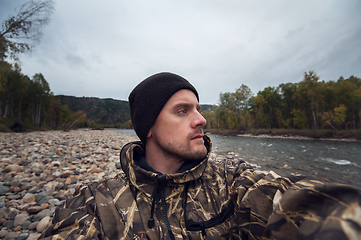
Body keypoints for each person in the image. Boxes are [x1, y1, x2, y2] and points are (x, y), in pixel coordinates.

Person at [40, 72, 361, 240]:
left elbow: (301, 203)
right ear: (149, 127)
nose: (201, 120)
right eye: (182, 111)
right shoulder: (97, 202)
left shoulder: (234, 181)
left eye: (198, 108)